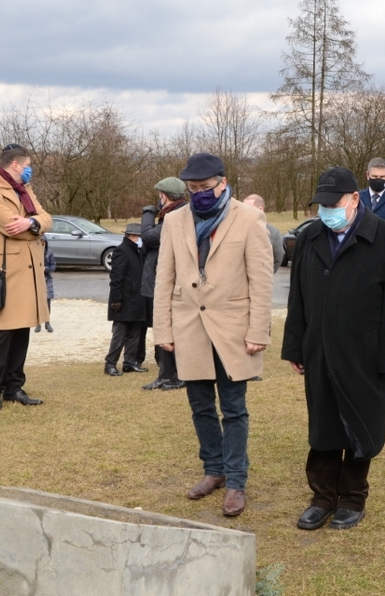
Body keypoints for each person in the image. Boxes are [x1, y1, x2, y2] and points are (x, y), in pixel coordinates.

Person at [282, 167, 385, 531]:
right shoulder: (310, 238)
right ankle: (323, 496)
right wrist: (295, 344)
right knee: (323, 425)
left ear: (354, 199)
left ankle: (353, 497)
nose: (326, 210)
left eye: (334, 203)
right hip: (320, 350)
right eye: (320, 204)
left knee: (360, 424)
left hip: (365, 356)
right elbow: (298, 298)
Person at [153, 152, 273, 517]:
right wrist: (163, 328)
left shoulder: (250, 219)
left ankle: (236, 480)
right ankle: (214, 469)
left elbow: (262, 281)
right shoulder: (174, 221)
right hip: (189, 327)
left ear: (222, 182)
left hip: (234, 332)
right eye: (192, 189)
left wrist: (258, 332)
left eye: (205, 188)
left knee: (234, 409)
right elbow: (164, 277)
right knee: (200, 406)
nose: (199, 194)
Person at [0, 143, 51, 411]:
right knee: (5, 331)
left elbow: (46, 219)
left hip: (30, 269)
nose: (30, 169)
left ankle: (14, 387)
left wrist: (31, 223)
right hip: (7, 271)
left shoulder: (24, 188)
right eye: (28, 164)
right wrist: (31, 224)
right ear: (16, 165)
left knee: (22, 330)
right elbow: (10, 227)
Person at [141, 177, 188, 391]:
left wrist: (147, 213)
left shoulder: (178, 217)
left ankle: (178, 375)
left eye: (159, 195)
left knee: (174, 328)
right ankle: (165, 374)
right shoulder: (170, 215)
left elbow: (149, 237)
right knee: (163, 326)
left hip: (172, 281)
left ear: (165, 196)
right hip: (159, 279)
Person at [105, 223, 148, 376]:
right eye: (140, 237)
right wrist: (116, 300)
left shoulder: (136, 251)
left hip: (136, 300)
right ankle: (110, 363)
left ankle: (129, 363)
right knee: (120, 335)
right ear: (133, 236)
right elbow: (116, 278)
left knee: (134, 334)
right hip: (124, 301)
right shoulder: (122, 251)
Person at [242, 194, 284, 273]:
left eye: (247, 208)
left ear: (260, 209)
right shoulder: (237, 229)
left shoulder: (273, 232)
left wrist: (266, 275)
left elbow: (278, 257)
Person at [35, 235, 55, 333]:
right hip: (37, 280)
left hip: (47, 280)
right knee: (37, 302)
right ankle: (38, 323)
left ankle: (47, 322)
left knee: (47, 302)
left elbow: (53, 266)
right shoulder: (34, 253)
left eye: (43, 242)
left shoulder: (49, 253)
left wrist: (45, 269)